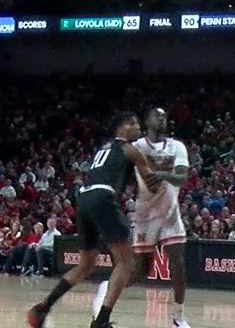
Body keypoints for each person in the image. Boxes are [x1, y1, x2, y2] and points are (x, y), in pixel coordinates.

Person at [27, 112, 161, 328]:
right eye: (131, 123)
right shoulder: (129, 149)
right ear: (119, 129)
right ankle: (102, 321)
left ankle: (41, 308)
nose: (137, 127)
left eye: (137, 123)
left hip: (84, 198)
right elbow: (151, 183)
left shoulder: (104, 149)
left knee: (86, 264)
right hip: (103, 197)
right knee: (126, 262)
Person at [124, 108, 191, 328]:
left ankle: (178, 318)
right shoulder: (138, 147)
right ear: (147, 121)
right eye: (157, 115)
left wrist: (161, 175)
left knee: (178, 263)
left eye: (164, 116)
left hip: (171, 212)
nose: (162, 119)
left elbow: (181, 177)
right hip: (145, 213)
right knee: (141, 270)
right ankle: (108, 288)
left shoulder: (177, 146)